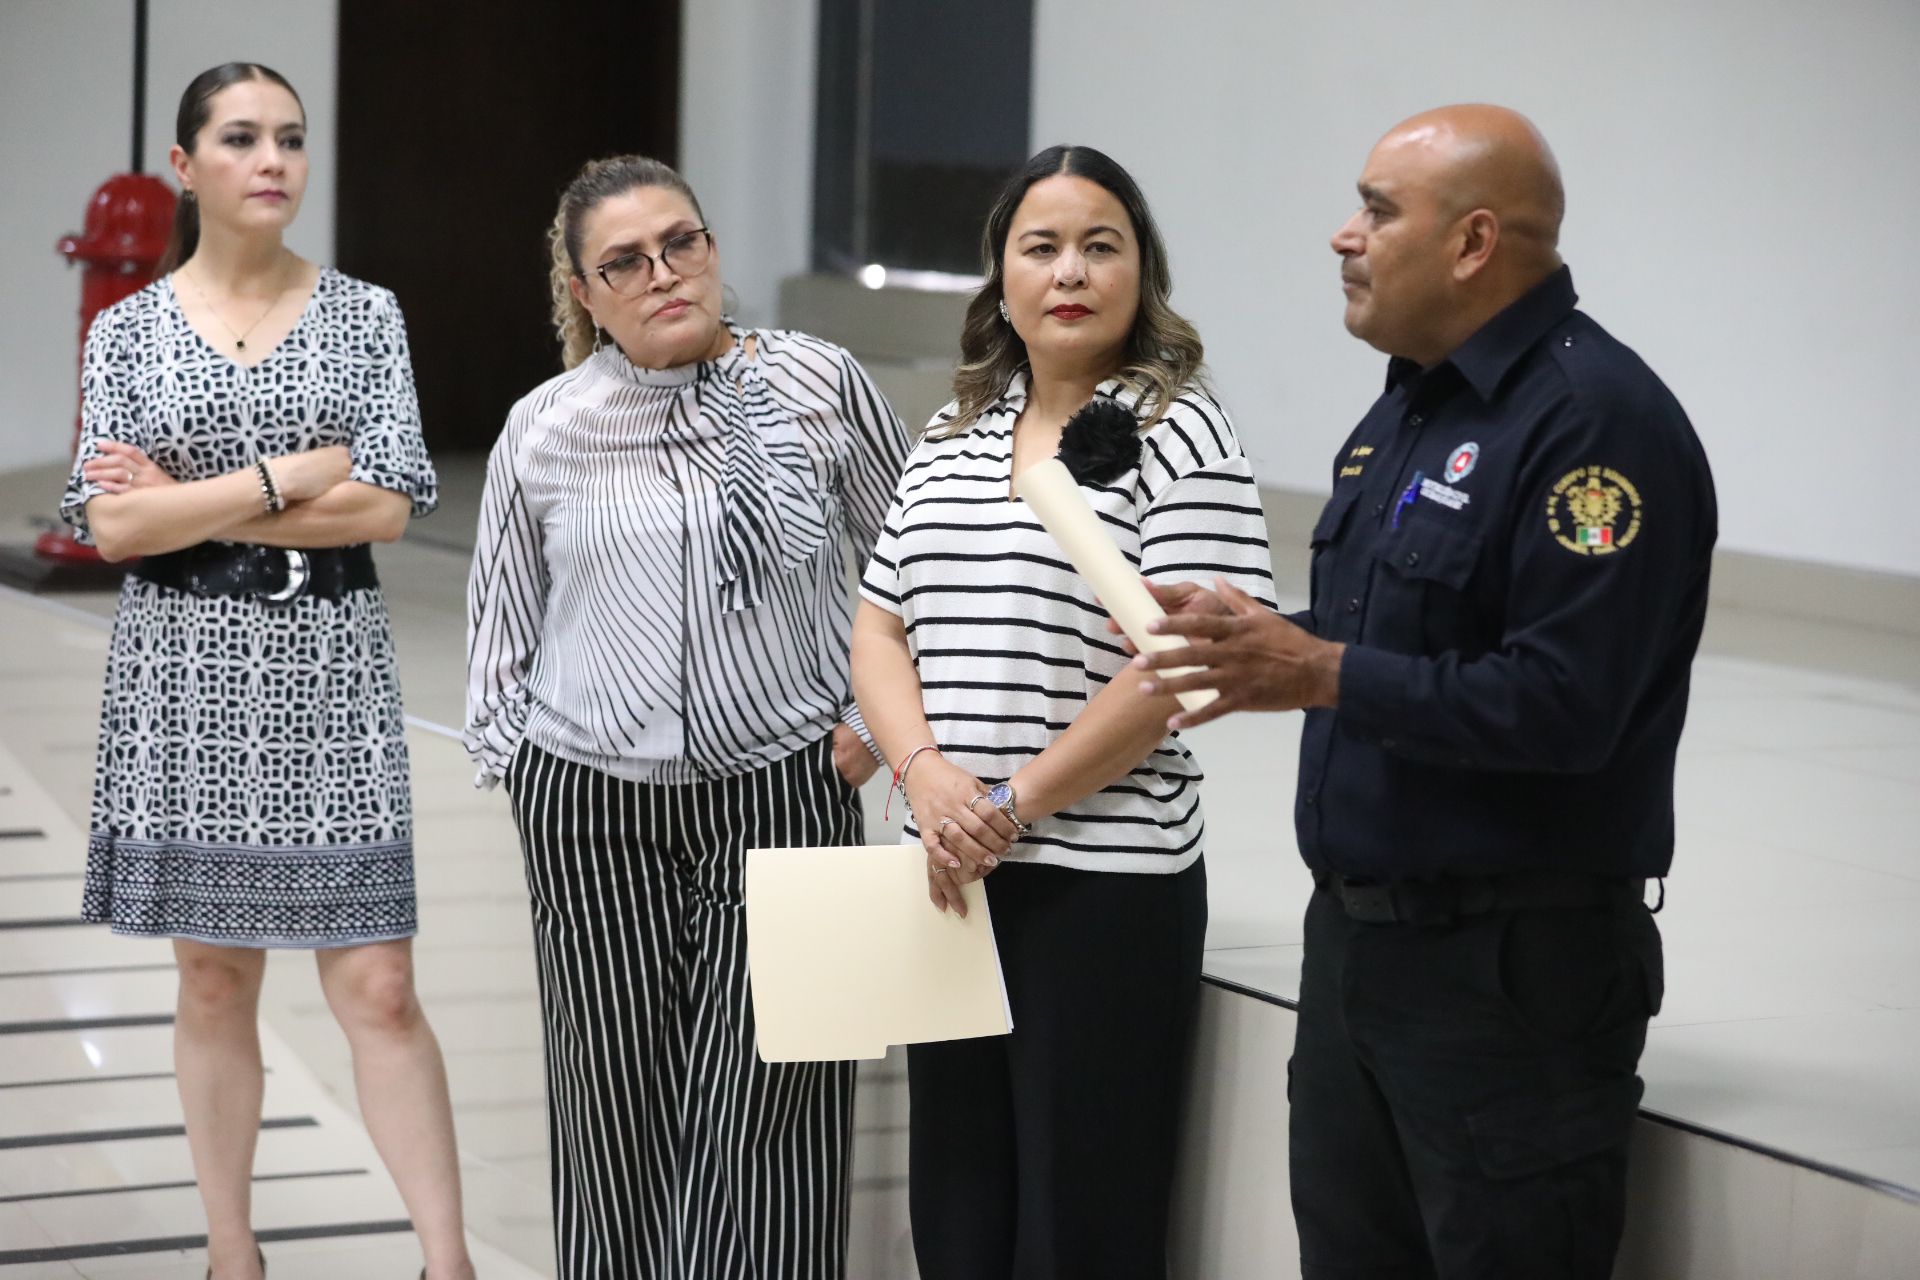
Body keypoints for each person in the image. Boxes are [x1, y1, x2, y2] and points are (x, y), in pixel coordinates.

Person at [1131, 105, 1718, 1279]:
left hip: (1508, 975)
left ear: (1473, 242)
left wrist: (1317, 670)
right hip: (1358, 951)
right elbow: (1395, 638)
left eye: (1377, 210)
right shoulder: (1412, 404)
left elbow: (1566, 703)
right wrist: (1261, 642)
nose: (1342, 236)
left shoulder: (1594, 425)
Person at [60, 63, 474, 1280]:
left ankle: (448, 1261)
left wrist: (187, 500)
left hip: (328, 673)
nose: (273, 160)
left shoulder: (364, 314)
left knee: (380, 983)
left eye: (289, 137)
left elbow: (387, 503)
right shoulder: (130, 329)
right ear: (185, 167)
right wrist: (287, 475)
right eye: (241, 138)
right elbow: (112, 525)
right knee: (210, 978)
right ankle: (231, 1251)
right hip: (184, 676)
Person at [463, 153, 909, 1279]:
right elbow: (499, 632)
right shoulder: (546, 425)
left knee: (779, 1115)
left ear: (711, 249)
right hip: (591, 813)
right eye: (625, 261)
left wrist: (871, 731)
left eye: (681, 244)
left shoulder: (820, 381)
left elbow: (913, 570)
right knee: (609, 1117)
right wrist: (528, 773)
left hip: (792, 791)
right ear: (584, 292)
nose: (663, 273)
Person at [850, 144, 1277, 1280]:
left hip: (1103, 887)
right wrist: (927, 775)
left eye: (1101, 246)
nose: (1071, 272)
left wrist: (1010, 802)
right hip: (950, 871)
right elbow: (879, 627)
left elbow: (1184, 665)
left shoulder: (1180, 431)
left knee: (1079, 1226)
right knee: (957, 1213)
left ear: (1144, 272)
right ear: (1002, 278)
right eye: (1041, 248)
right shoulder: (955, 432)